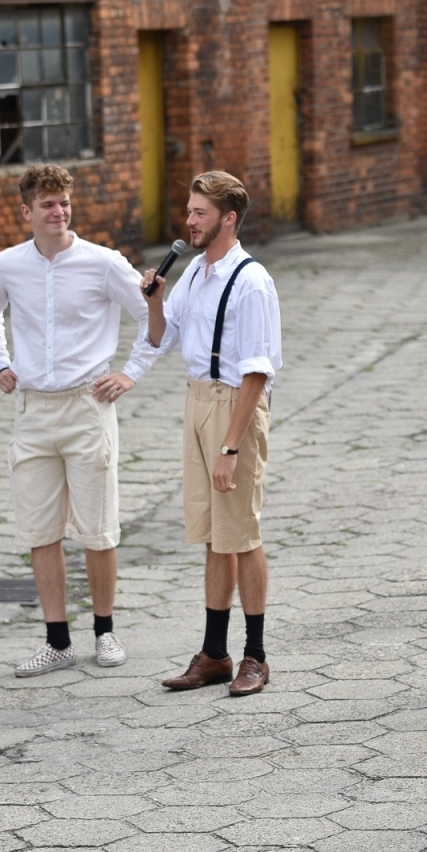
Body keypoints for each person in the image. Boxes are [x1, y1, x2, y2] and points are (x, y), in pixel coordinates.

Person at [0, 164, 155, 677]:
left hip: (86, 407)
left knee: (98, 529)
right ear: (26, 211)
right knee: (40, 529)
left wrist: (131, 373)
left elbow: (151, 317)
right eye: (48, 204)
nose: (59, 211)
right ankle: (56, 641)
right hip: (32, 412)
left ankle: (105, 631)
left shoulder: (103, 263)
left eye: (64, 203)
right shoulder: (7, 265)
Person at [142, 172, 282, 697]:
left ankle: (256, 656)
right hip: (197, 399)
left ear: (228, 218)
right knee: (212, 536)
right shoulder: (196, 273)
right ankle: (214, 653)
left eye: (199, 212)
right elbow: (160, 337)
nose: (189, 221)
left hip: (234, 407)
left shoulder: (251, 280)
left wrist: (231, 446)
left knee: (242, 534)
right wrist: (154, 299)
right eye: (189, 210)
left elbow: (256, 372)